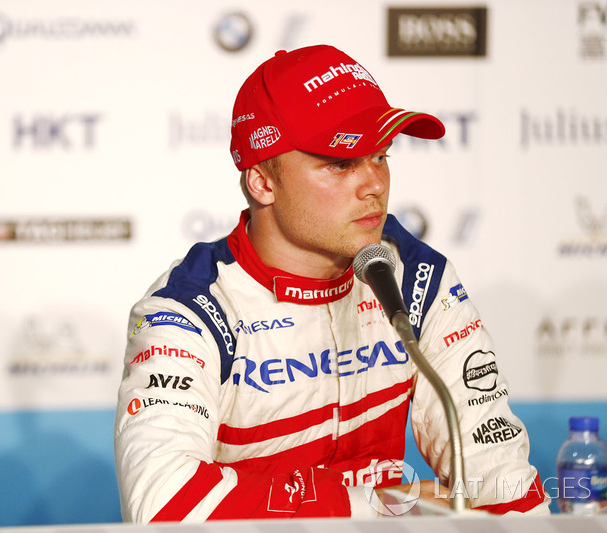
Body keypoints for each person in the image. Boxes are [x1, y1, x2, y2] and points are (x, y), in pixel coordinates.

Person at [113, 44, 549, 521]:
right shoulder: (190, 309)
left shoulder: (417, 278)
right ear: (262, 182)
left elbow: (502, 479)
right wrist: (371, 503)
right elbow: (163, 504)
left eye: (380, 155)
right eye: (341, 163)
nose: (374, 185)